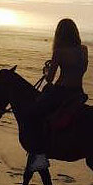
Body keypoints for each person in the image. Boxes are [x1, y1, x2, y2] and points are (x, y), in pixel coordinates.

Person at [27, 18, 89, 171]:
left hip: (62, 91)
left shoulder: (59, 51)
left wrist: (47, 70)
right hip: (78, 92)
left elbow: (49, 79)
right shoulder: (83, 49)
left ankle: (39, 154)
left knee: (33, 113)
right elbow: (82, 69)